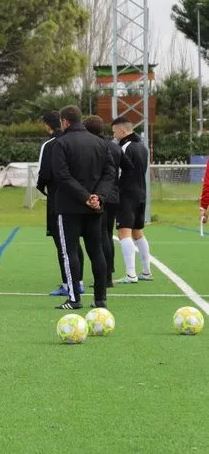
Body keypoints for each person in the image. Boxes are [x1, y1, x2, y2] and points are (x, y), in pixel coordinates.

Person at [50, 105, 116, 310]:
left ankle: (74, 298)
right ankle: (100, 298)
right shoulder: (100, 143)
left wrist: (84, 197)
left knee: (70, 252)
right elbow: (110, 173)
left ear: (64, 121)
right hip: (95, 207)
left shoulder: (60, 143)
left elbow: (62, 175)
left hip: (70, 206)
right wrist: (98, 197)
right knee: (96, 251)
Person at [37, 111, 84, 296]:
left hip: (60, 200)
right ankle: (80, 281)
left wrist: (47, 193)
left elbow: (44, 175)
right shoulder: (82, 141)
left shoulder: (51, 145)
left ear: (49, 125)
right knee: (79, 243)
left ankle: (69, 284)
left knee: (64, 245)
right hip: (83, 198)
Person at [85, 115, 129, 287]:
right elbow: (128, 168)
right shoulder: (114, 146)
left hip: (98, 196)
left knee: (100, 236)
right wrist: (117, 185)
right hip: (113, 196)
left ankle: (103, 278)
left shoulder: (92, 147)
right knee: (107, 235)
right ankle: (108, 276)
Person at [112, 116, 153, 283]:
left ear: (123, 130)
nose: (113, 134)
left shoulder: (124, 147)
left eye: (114, 131)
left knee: (124, 233)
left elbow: (120, 172)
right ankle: (146, 271)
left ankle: (131, 274)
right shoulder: (143, 147)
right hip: (141, 193)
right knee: (138, 233)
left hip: (126, 194)